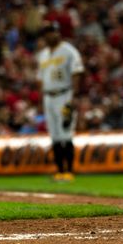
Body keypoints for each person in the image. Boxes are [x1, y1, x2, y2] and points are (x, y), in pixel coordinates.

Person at [36, 21, 84, 182]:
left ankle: (69, 171)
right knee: (55, 135)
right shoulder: (43, 54)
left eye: (53, 31)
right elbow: (40, 79)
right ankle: (59, 171)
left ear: (58, 33)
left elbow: (76, 73)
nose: (51, 35)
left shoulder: (69, 51)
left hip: (64, 94)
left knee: (66, 133)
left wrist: (73, 98)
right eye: (48, 32)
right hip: (48, 97)